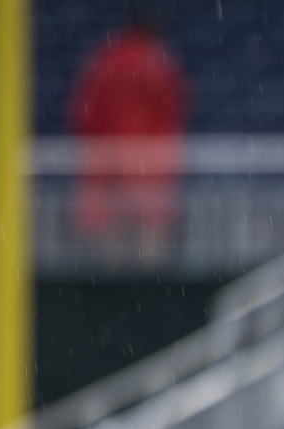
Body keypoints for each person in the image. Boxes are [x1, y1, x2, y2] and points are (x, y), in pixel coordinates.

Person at [66, 10, 190, 258]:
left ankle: (116, 288)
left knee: (113, 245)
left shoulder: (105, 61)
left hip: (110, 165)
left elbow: (81, 113)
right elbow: (176, 107)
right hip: (147, 168)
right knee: (148, 241)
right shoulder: (157, 65)